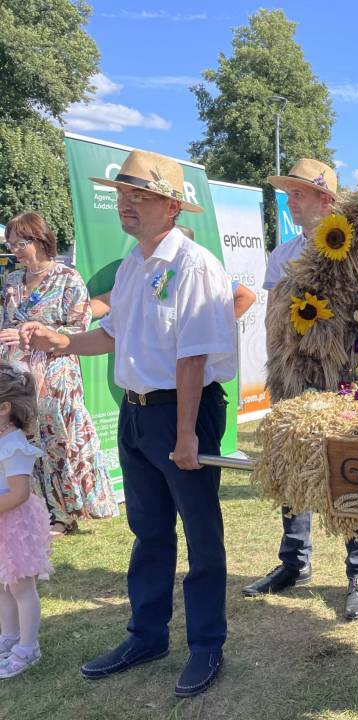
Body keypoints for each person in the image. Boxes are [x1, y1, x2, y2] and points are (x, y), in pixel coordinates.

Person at [19, 149, 237, 697]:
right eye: (121, 195)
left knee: (201, 535)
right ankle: (147, 635)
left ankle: (206, 644)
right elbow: (112, 335)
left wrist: (186, 435)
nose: (125, 204)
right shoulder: (135, 266)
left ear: (172, 206)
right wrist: (62, 341)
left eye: (139, 195)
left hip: (183, 412)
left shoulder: (194, 265)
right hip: (137, 413)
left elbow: (192, 358)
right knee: (148, 530)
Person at [242, 158, 358, 622]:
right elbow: (273, 316)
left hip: (346, 375)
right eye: (288, 194)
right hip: (291, 374)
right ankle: (294, 562)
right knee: (292, 464)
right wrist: (277, 367)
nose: (290, 202)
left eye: (298, 194)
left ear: (326, 200)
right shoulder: (282, 254)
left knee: (353, 466)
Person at [0, 212, 117, 536]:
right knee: (24, 436)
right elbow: (6, 322)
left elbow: (80, 328)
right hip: (19, 375)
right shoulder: (12, 281)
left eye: (20, 243)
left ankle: (64, 514)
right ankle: (34, 508)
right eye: (11, 245)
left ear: (39, 240)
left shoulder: (67, 278)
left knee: (57, 439)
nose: (16, 251)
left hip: (56, 372)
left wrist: (37, 332)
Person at [90, 225, 255, 321]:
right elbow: (110, 300)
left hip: (183, 361)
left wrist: (220, 329)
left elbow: (246, 296)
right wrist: (80, 312)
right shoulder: (147, 271)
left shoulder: (197, 269)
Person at [0, 364, 49, 678]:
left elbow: (19, 492)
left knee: (20, 587)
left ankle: (28, 647)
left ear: (4, 408)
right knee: (3, 585)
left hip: (14, 526)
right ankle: (10, 636)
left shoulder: (15, 445)